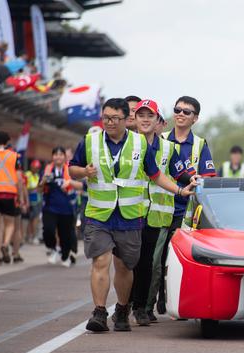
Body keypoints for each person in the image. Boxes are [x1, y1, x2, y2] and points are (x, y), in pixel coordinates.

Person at [69, 98, 197, 332]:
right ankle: (99, 312)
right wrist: (83, 171)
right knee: (101, 260)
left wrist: (180, 189)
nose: (110, 122)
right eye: (106, 117)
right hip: (99, 214)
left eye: (115, 118)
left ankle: (121, 308)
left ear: (125, 118)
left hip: (129, 216)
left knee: (125, 267)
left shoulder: (139, 144)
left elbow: (156, 175)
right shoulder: (90, 141)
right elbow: (72, 169)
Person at [129, 99, 196, 325]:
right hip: (129, 214)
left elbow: (181, 173)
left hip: (158, 217)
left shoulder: (168, 148)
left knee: (153, 264)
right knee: (129, 263)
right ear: (135, 119)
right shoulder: (127, 144)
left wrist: (193, 181)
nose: (145, 120)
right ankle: (128, 303)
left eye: (150, 116)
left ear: (158, 121)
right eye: (141, 115)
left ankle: (143, 307)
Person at [154, 96, 216, 314]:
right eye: (177, 110)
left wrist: (195, 177)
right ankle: (147, 303)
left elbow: (209, 177)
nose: (180, 114)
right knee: (155, 260)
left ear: (195, 118)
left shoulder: (200, 144)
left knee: (177, 259)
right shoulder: (158, 138)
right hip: (158, 209)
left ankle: (169, 299)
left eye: (186, 112)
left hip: (186, 213)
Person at [41, 146, 82, 267]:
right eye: (55, 154)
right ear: (52, 157)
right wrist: (43, 181)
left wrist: (70, 183)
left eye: (60, 154)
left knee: (65, 235)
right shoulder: (47, 170)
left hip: (67, 209)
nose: (58, 157)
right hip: (50, 208)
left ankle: (65, 256)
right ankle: (52, 249)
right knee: (48, 230)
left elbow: (81, 185)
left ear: (65, 157)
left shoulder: (70, 171)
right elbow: (39, 189)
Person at [0, 131, 22, 265]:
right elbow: (19, 178)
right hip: (9, 193)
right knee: (10, 224)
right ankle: (5, 243)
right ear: (8, 142)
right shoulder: (14, 156)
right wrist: (19, 195)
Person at [24, 160, 42, 245]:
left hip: (37, 200)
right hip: (29, 199)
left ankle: (33, 236)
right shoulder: (27, 175)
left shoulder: (37, 175)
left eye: (38, 168)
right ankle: (30, 236)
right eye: (35, 168)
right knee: (31, 219)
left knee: (36, 218)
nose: (36, 170)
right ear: (31, 167)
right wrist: (35, 189)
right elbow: (26, 188)